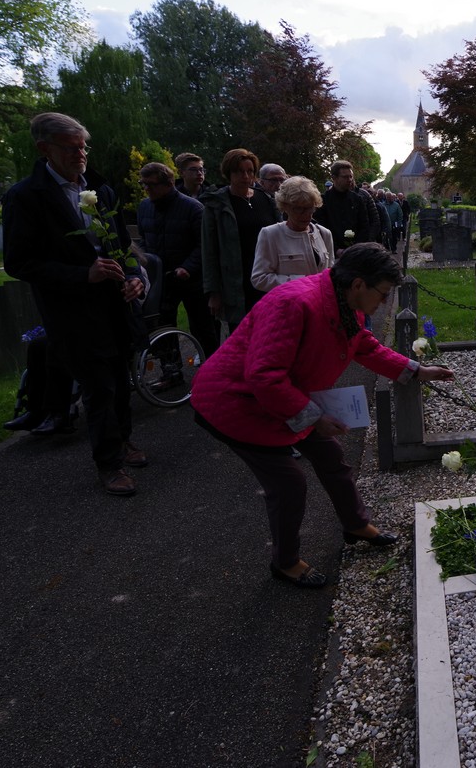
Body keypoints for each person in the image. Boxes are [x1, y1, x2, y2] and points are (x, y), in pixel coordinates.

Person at [191, 243, 455, 587]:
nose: (383, 302)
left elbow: (363, 346)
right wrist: (314, 418)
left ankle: (355, 525)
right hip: (235, 404)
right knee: (288, 484)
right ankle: (285, 562)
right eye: (383, 293)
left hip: (283, 397)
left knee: (331, 457)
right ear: (358, 284)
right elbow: (264, 376)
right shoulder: (293, 303)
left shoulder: (344, 302)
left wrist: (417, 371)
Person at [2, 112, 149, 496]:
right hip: (73, 312)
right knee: (98, 388)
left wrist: (134, 277)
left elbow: (123, 245)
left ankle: (123, 440)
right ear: (45, 149)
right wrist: (83, 274)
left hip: (116, 304)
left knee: (121, 382)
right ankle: (109, 464)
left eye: (84, 147)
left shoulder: (101, 189)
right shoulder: (26, 196)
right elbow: (19, 262)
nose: (80, 155)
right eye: (71, 148)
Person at [136, 162, 219, 355]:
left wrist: (187, 267)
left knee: (203, 328)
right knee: (163, 328)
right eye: (143, 184)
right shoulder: (145, 206)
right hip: (162, 279)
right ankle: (171, 367)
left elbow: (205, 244)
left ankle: (213, 364)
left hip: (191, 279)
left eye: (151, 184)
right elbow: (143, 238)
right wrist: (145, 261)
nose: (147, 188)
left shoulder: (193, 208)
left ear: (169, 183)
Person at [201, 148, 280, 333]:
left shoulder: (266, 200)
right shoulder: (216, 204)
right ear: (228, 173)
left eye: (250, 171)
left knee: (271, 333)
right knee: (243, 335)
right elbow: (209, 250)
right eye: (239, 171)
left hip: (267, 277)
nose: (245, 176)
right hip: (237, 282)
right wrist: (213, 292)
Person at [252, 176, 334, 291]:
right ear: (285, 207)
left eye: (310, 208)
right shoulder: (271, 234)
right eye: (299, 209)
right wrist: (303, 282)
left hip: (319, 300)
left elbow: (330, 271)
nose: (306, 214)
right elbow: (260, 278)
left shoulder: (324, 234)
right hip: (288, 301)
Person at [315, 160, 377, 257]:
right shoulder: (323, 201)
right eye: (345, 177)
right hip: (331, 253)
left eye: (351, 176)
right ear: (334, 178)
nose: (349, 180)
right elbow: (321, 228)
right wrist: (336, 249)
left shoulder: (357, 199)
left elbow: (364, 226)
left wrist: (356, 248)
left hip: (356, 253)